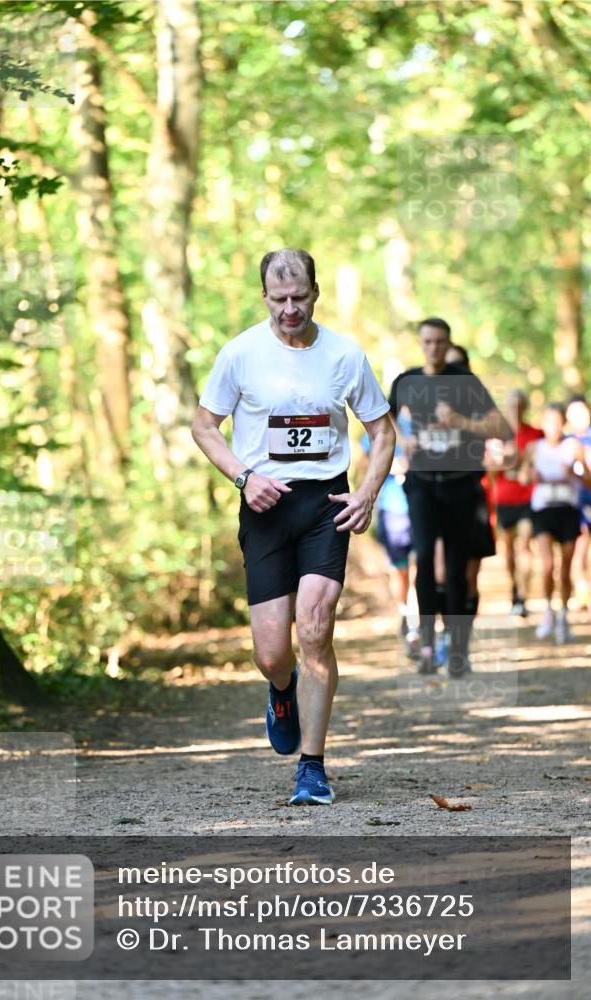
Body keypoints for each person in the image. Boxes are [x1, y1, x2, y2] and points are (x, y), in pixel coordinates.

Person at [192, 249, 395, 805]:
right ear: (264, 297)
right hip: (264, 506)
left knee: (315, 629)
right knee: (271, 654)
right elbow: (204, 426)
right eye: (279, 299)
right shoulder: (240, 354)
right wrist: (242, 477)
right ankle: (282, 689)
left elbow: (382, 432)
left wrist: (367, 493)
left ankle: (312, 767)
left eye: (299, 297)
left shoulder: (345, 355)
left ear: (315, 292)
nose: (289, 309)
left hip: (325, 504)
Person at [389, 318, 510, 677]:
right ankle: (427, 645)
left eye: (440, 342)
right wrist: (403, 439)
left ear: (448, 343)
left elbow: (502, 427)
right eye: (427, 342)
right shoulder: (407, 381)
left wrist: (460, 421)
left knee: (457, 567)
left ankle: (457, 649)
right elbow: (383, 416)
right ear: (420, 344)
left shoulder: (465, 381)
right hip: (422, 484)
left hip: (460, 484)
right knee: (425, 559)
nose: (434, 348)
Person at [431, 342, 497, 666]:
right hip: (436, 496)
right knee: (441, 572)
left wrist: (461, 422)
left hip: (470, 494)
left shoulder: (476, 401)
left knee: (469, 576)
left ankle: (462, 644)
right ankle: (446, 635)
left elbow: (498, 431)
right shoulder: (429, 402)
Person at [521, 402, 591, 643]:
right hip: (543, 510)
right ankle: (548, 611)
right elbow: (522, 476)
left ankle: (563, 615)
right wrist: (531, 476)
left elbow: (589, 479)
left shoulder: (574, 446)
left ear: (564, 423)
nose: (553, 426)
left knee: (566, 567)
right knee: (548, 565)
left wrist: (574, 474)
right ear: (543, 424)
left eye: (558, 421)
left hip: (568, 510)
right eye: (549, 421)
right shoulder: (534, 448)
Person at [360, 412, 418, 658]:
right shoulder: (379, 422)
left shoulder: (424, 422)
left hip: (421, 508)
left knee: (419, 570)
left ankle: (415, 623)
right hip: (392, 508)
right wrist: (389, 466)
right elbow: (365, 462)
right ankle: (404, 612)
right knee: (399, 570)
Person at [486, 389, 543, 616]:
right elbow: (489, 470)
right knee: (509, 550)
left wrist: (525, 461)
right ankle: (514, 590)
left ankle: (522, 595)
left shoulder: (536, 434)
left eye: (519, 406)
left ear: (525, 408)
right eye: (511, 406)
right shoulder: (497, 436)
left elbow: (541, 463)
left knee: (525, 546)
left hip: (528, 498)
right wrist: (507, 461)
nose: (515, 411)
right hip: (504, 498)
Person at [565, 394, 591, 611]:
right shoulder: (565, 441)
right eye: (573, 412)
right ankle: (583, 591)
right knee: (578, 548)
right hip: (574, 504)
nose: (578, 416)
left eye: (582, 411)